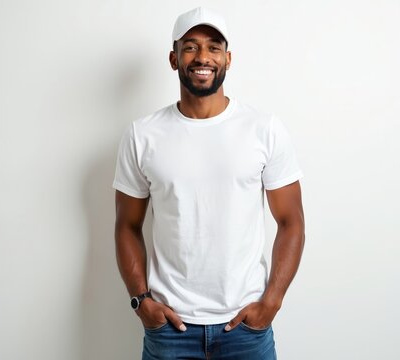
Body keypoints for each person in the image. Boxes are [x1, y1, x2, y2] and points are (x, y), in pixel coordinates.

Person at [113, 6, 305, 360]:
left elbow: (291, 222)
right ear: (174, 59)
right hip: (170, 331)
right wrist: (142, 302)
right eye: (191, 46)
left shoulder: (264, 129)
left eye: (214, 47)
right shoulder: (143, 135)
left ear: (228, 59)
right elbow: (127, 226)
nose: (203, 56)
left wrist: (271, 303)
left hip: (246, 329)